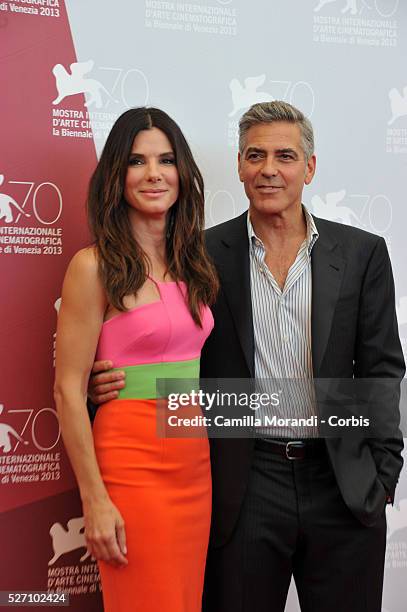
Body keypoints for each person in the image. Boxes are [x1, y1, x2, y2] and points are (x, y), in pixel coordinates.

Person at [89, 101, 405, 612]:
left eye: (285, 155)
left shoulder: (361, 252)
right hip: (245, 481)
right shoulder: (198, 255)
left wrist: (384, 474)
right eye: (255, 155)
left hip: (343, 483)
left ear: (310, 166)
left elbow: (384, 368)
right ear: (238, 166)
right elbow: (164, 344)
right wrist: (101, 384)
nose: (269, 169)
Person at [54, 107, 218, 612]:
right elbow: (67, 390)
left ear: (182, 172)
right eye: (137, 161)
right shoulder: (93, 266)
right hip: (131, 462)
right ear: (115, 176)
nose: (154, 174)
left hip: (194, 459)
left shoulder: (195, 262)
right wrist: (95, 500)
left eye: (166, 160)